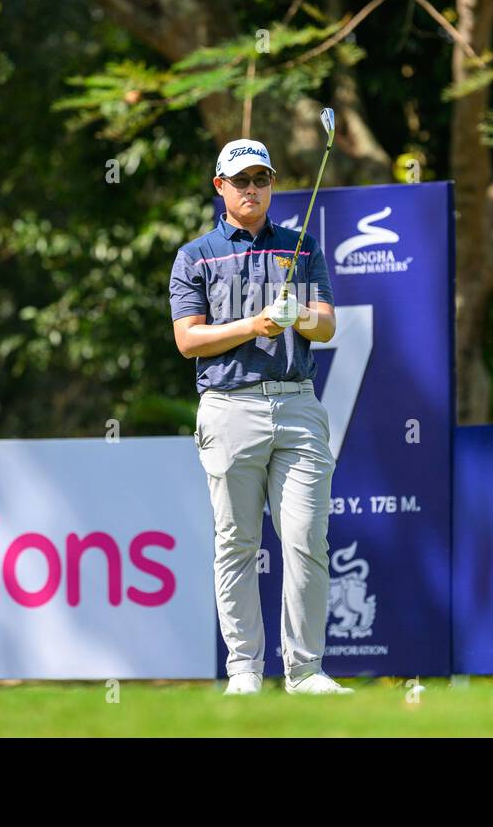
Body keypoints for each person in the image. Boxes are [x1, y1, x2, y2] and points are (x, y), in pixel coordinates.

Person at [168, 138, 352, 696]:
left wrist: (296, 314)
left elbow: (327, 325)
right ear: (219, 186)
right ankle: (244, 671)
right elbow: (188, 340)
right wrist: (254, 325)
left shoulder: (300, 246)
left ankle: (305, 671)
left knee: (304, 539)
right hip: (228, 408)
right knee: (237, 543)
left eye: (262, 180)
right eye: (241, 180)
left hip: (297, 404)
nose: (253, 189)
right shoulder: (195, 255)